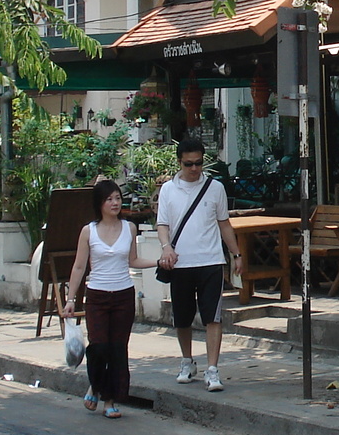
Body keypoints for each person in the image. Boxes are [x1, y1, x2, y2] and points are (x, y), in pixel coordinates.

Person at [63, 180, 159, 419]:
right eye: (109, 199)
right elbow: (78, 266)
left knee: (117, 348)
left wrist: (158, 262)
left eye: (117, 198)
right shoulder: (89, 231)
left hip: (123, 295)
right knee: (99, 347)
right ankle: (94, 385)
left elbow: (133, 261)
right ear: (100, 204)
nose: (115, 203)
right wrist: (70, 298)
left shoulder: (129, 228)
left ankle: (110, 400)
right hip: (96, 295)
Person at [157, 137, 243, 392]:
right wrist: (166, 247)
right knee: (182, 318)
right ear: (179, 163)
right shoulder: (168, 190)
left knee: (212, 317)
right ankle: (187, 361)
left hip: (211, 260)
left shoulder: (215, 188)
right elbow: (163, 224)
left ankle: (213, 368)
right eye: (188, 164)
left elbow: (224, 222)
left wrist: (236, 254)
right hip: (180, 263)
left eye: (198, 164)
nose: (194, 169)